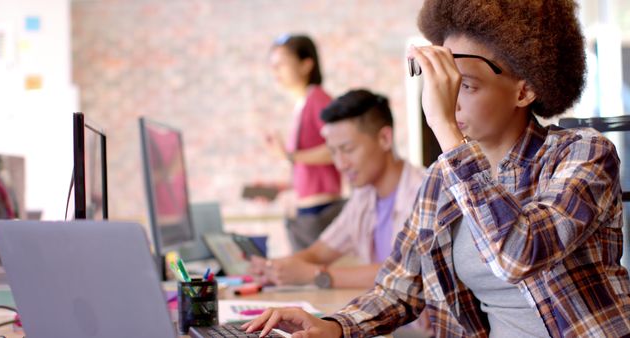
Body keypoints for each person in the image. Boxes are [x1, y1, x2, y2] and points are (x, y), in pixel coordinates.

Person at [243, 1, 630, 337]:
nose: (450, 104)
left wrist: (445, 130)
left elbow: (518, 254)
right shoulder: (443, 180)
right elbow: (398, 289)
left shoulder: (584, 154)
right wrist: (332, 325)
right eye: (445, 87)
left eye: (467, 87)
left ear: (523, 91)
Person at [251, 89, 425, 288]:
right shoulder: (363, 196)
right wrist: (274, 268)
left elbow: (405, 272)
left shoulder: (425, 192)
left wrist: (316, 275)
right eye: (333, 152)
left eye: (348, 150)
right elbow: (318, 253)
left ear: (384, 138)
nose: (341, 164)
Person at [266, 34, 343, 251]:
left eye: (281, 64)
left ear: (306, 64)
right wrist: (281, 187)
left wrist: (290, 156)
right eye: (272, 65)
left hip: (319, 211)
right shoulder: (303, 104)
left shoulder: (317, 98)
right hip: (307, 210)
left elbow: (337, 147)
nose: (275, 71)